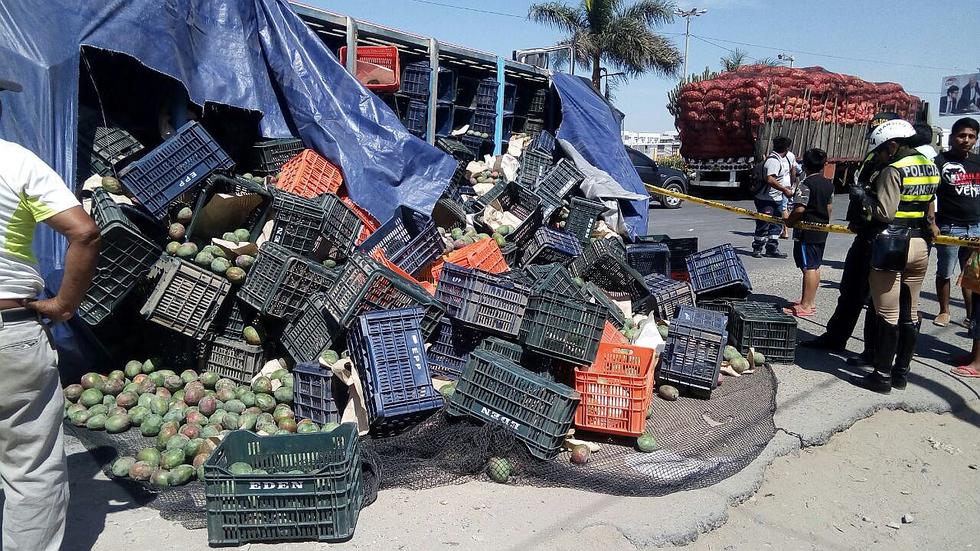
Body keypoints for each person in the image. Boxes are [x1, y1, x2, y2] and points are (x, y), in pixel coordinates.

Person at [0, 77, 101, 550]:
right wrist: (63, 305)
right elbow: (83, 232)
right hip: (9, 334)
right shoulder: (14, 161)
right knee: (30, 466)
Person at [849, 119, 940, 394]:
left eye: (881, 150)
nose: (880, 155)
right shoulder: (929, 166)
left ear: (893, 145)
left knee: (887, 311)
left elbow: (885, 212)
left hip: (892, 244)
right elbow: (929, 209)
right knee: (910, 311)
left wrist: (864, 198)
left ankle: (881, 375)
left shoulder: (893, 169)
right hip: (919, 245)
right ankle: (901, 373)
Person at [801, 112, 902, 354]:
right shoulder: (874, 158)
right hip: (866, 234)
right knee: (850, 290)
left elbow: (886, 205)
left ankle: (872, 353)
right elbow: (862, 187)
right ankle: (836, 337)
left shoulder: (896, 165)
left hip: (888, 238)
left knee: (877, 301)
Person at [930, 118, 980, 377]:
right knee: (945, 272)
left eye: (971, 136)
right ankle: (944, 310)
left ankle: (971, 318)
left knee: (972, 280)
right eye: (962, 135)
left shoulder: (978, 162)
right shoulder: (939, 163)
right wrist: (932, 222)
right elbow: (930, 194)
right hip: (950, 227)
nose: (967, 140)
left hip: (976, 229)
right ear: (952, 138)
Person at [782, 148, 834, 317]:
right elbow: (829, 208)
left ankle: (805, 305)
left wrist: (788, 222)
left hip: (807, 232)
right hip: (821, 229)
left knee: (808, 268)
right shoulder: (828, 184)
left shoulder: (805, 185)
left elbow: (799, 209)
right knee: (815, 266)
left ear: (804, 164)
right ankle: (809, 301)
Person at [752, 135, 793, 258]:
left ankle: (772, 248)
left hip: (777, 199)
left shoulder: (779, 160)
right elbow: (770, 179)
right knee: (763, 224)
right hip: (766, 199)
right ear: (786, 150)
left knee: (776, 224)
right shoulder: (773, 161)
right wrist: (785, 190)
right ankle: (757, 248)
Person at [779, 150, 802, 239]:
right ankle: (784, 230)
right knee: (787, 206)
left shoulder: (777, 156)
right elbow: (797, 170)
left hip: (782, 185)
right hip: (790, 184)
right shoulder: (791, 155)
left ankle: (785, 231)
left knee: (783, 207)